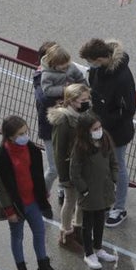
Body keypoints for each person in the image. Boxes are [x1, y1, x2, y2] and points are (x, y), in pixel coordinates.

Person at [0, 116, 68, 270]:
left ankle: (43, 267)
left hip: (32, 200)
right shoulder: (1, 157)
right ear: (10, 136)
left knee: (39, 232)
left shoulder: (30, 149)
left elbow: (35, 174)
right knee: (17, 237)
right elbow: (1, 188)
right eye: (21, 133)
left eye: (26, 132)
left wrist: (42, 191)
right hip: (16, 205)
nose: (25, 136)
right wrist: (9, 210)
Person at [79, 37, 136, 228]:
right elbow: (93, 89)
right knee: (102, 165)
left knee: (118, 167)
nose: (91, 65)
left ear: (103, 57)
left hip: (116, 132)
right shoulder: (97, 70)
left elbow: (128, 110)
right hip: (99, 127)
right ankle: (105, 201)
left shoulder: (122, 78)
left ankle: (119, 208)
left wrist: (102, 121)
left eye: (92, 61)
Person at [70, 112, 119, 270]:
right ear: (86, 131)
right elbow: (74, 173)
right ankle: (88, 253)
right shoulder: (80, 148)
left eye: (99, 127)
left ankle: (98, 248)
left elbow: (113, 160)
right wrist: (84, 190)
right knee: (88, 223)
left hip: (104, 190)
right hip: (90, 193)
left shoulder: (105, 139)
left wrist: (114, 178)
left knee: (100, 221)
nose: (99, 130)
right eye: (95, 128)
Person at [38, 43, 87, 198]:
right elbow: (47, 91)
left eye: (67, 64)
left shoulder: (71, 67)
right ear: (53, 64)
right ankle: (42, 193)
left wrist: (81, 89)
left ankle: (62, 188)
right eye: (62, 66)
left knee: (66, 160)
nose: (66, 68)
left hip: (68, 123)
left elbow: (82, 80)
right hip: (50, 129)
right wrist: (66, 91)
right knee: (54, 168)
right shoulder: (46, 75)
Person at [49, 83, 92, 250]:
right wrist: (64, 177)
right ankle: (65, 234)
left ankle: (78, 229)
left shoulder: (83, 114)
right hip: (70, 168)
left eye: (88, 98)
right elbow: (59, 151)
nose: (87, 102)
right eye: (83, 99)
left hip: (83, 165)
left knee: (82, 199)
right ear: (72, 100)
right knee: (70, 200)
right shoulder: (64, 121)